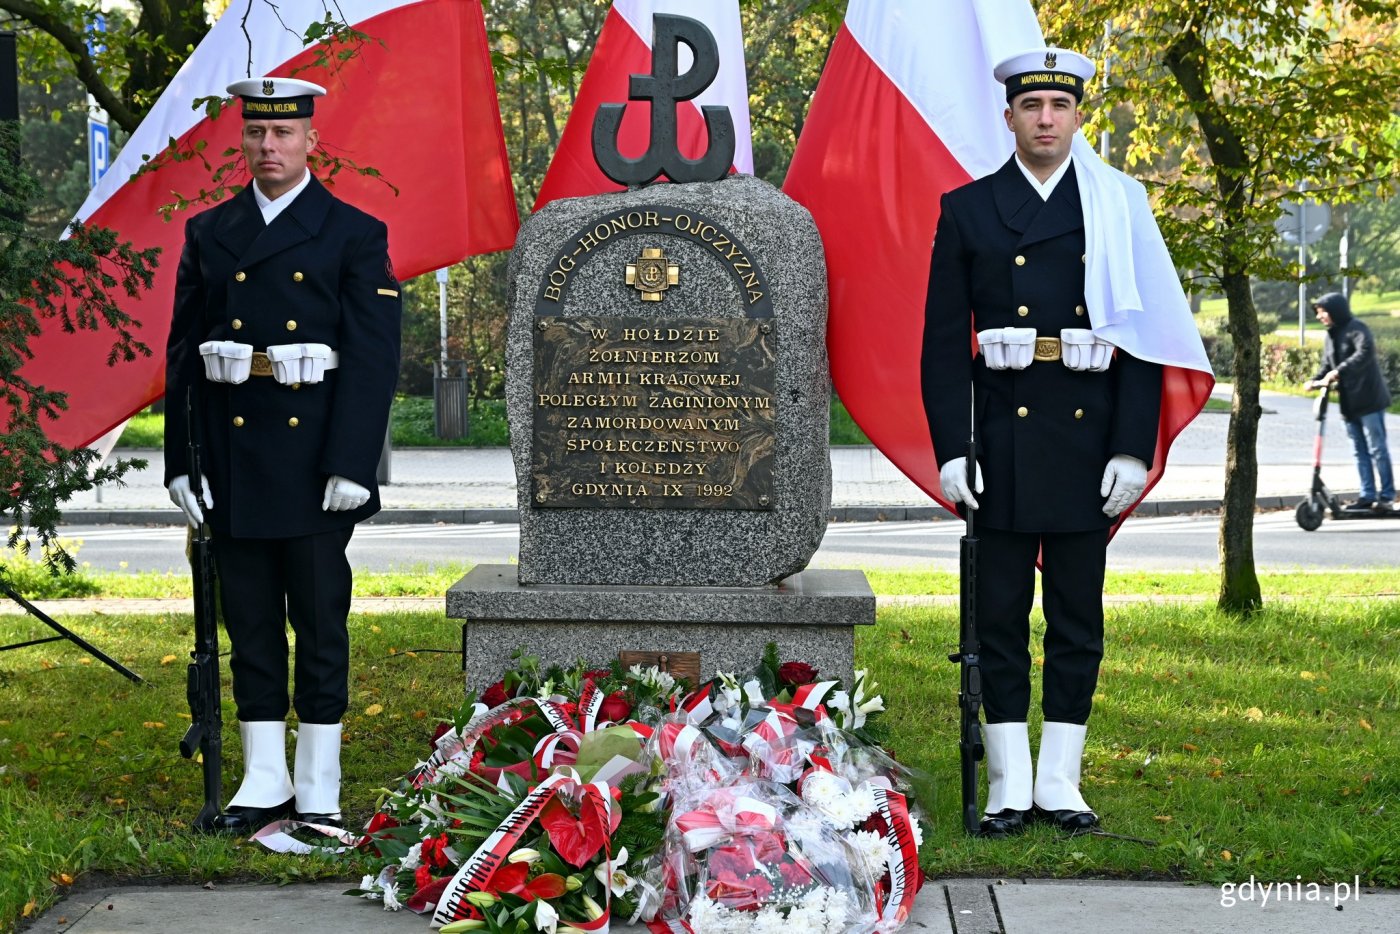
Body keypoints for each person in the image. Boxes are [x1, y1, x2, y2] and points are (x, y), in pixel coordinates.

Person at [922, 48, 1168, 837]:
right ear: (1010, 117)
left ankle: (1061, 782)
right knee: (997, 617)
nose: (1046, 119)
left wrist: (1134, 447)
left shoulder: (1117, 205)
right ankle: (1007, 784)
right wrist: (952, 447)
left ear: (1078, 116)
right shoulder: (968, 208)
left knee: (1075, 617)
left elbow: (1144, 335)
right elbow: (938, 343)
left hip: (1086, 441)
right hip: (1000, 440)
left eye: (1060, 106)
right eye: (1032, 107)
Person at [164, 76, 402, 833]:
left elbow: (373, 359)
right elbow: (181, 356)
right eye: (256, 134)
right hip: (233, 458)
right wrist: (180, 461)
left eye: (284, 134)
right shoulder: (210, 230)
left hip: (314, 464)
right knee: (251, 624)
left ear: (311, 141)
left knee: (320, 625)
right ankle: (264, 780)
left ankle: (320, 786)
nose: (269, 147)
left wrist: (352, 463)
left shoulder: (353, 233)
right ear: (243, 140)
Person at [1304, 292, 1394, 513]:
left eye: (1322, 312)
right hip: (1349, 403)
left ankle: (1387, 497)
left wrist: (1338, 371)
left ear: (1335, 310)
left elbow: (1364, 353)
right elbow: (1327, 365)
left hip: (1370, 400)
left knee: (1377, 449)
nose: (1319, 316)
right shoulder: (1331, 336)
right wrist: (1315, 380)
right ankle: (1367, 495)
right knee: (1358, 450)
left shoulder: (1357, 328)